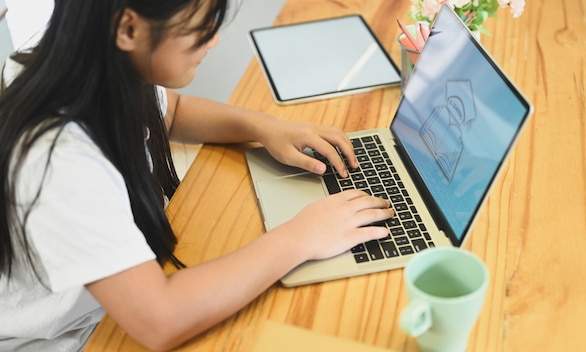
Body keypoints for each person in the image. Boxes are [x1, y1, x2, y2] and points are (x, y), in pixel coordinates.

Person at [0, 0, 394, 351]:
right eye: (202, 26)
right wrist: (299, 237)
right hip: (79, 333)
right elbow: (160, 319)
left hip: (123, 293)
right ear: (128, 29)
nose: (215, 40)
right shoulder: (57, 158)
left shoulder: (93, 66)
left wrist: (265, 127)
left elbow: (172, 113)